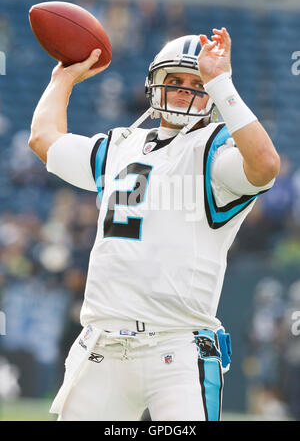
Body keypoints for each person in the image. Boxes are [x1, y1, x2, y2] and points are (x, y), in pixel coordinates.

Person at [28, 28, 280, 421]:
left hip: (177, 348)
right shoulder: (120, 145)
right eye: (174, 80)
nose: (183, 90)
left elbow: (265, 165)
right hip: (104, 346)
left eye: (196, 83)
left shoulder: (214, 152)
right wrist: (62, 78)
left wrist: (222, 82)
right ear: (153, 84)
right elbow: (44, 139)